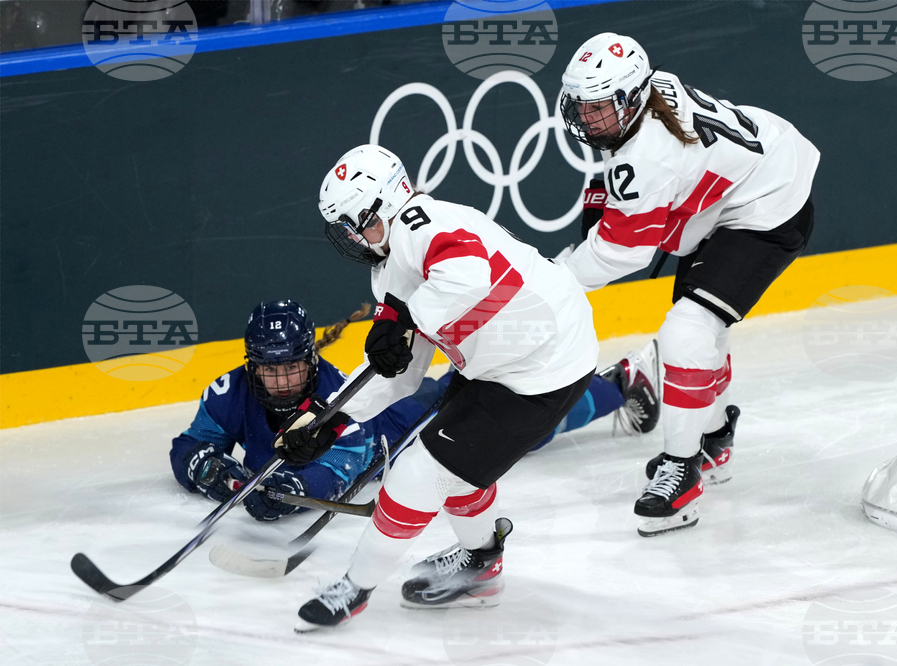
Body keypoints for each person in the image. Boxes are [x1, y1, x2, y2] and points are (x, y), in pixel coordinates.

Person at [280, 144, 601, 631]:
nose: (355, 238)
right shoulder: (391, 267)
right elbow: (401, 373)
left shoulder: (422, 224)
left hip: (543, 367)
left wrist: (406, 318)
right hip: (502, 364)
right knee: (452, 472)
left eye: (360, 222)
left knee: (416, 475)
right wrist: (331, 418)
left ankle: (354, 588)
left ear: (389, 203)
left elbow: (468, 276)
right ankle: (482, 562)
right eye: (346, 229)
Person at [558, 33, 819, 537]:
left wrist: (552, 282)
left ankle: (682, 472)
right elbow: (636, 176)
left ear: (631, 99)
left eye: (599, 108)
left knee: (686, 332)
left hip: (768, 203)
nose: (587, 119)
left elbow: (622, 252)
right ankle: (715, 437)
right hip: (732, 193)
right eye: (581, 106)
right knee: (701, 334)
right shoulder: (652, 93)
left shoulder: (647, 156)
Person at [168, 300, 659, 523]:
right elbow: (189, 445)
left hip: (405, 422)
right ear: (252, 367)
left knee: (514, 427)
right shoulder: (230, 389)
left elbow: (344, 464)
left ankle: (618, 384)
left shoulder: (337, 395)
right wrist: (213, 472)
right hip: (397, 422)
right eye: (269, 371)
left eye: (293, 368)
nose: (281, 381)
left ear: (311, 361)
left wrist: (299, 490)